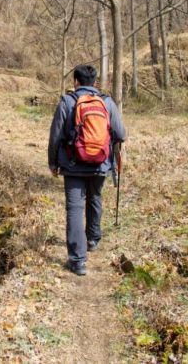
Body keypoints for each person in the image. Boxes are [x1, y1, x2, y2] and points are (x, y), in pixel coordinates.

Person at [47, 64, 126, 276]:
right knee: (95, 198)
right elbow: (121, 134)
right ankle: (93, 239)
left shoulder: (67, 102)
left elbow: (55, 136)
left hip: (72, 165)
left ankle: (78, 260)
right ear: (95, 83)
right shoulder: (107, 102)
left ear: (76, 82)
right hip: (100, 163)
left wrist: (53, 163)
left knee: (74, 209)